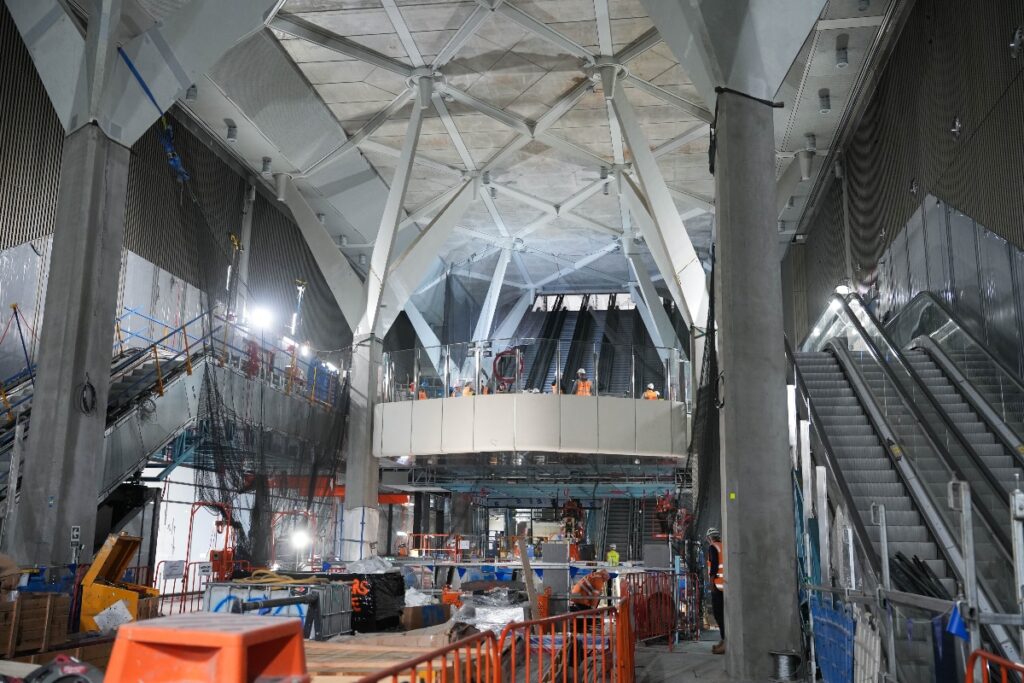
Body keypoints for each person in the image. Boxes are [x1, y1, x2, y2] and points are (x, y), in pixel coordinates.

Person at [706, 527, 725, 655]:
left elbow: (714, 565)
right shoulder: (723, 546)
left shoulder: (713, 547)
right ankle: (724, 640)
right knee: (724, 615)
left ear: (709, 538)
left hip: (717, 586)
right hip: (725, 586)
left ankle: (725, 641)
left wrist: (711, 582)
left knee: (718, 615)